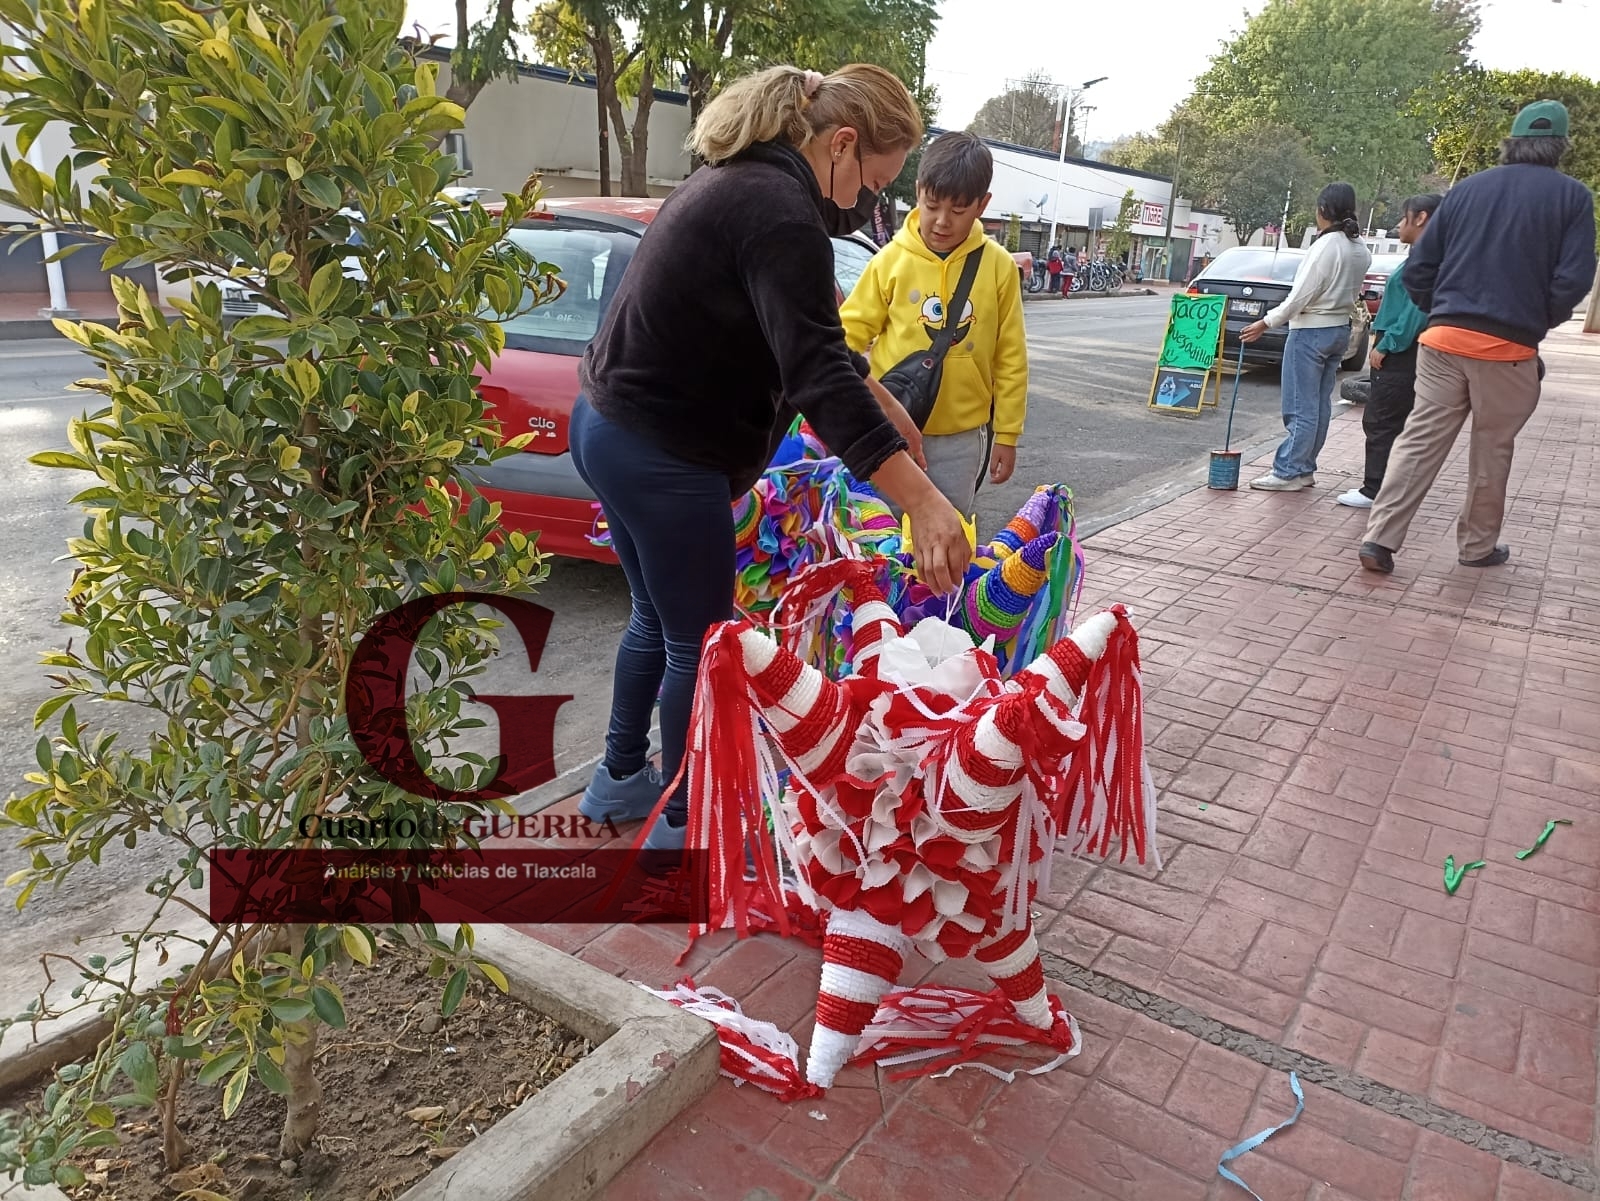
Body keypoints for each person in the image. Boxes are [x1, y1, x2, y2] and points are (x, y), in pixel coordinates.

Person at [569, 64, 971, 864]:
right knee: (707, 641)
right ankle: (687, 823)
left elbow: (803, 339)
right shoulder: (779, 209)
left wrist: (886, 404)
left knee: (657, 618)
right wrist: (920, 499)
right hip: (662, 451)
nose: (864, 204)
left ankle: (619, 779)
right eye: (873, 184)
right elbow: (816, 375)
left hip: (609, 427)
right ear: (841, 144)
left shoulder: (737, 182)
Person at [1358, 101, 1597, 574]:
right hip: (1507, 351)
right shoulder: (1572, 197)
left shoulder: (1468, 189)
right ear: (1561, 146)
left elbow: (1419, 269)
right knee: (1492, 450)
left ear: (1513, 139)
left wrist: (1441, 313)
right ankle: (1476, 548)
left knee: (1419, 441)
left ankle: (1379, 540)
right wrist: (1534, 322)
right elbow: (1574, 278)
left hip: (1442, 341)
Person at [840, 131, 1028, 515]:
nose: (942, 221)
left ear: (982, 205)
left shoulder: (999, 268)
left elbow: (1010, 358)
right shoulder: (890, 260)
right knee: (878, 538)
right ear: (920, 191)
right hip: (890, 432)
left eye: (958, 211)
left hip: (961, 440)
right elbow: (846, 337)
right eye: (932, 205)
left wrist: (1007, 435)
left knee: (950, 537)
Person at [1240, 183, 1372, 490]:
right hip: (1339, 329)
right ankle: (1304, 467)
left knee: (1301, 405)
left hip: (1311, 331)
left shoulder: (1327, 246)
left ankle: (1288, 471)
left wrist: (1267, 322)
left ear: (1323, 210)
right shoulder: (1359, 247)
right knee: (1319, 403)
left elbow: (1302, 294)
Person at [1335, 193, 1441, 510]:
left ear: (1420, 218)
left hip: (1402, 352)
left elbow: (1416, 310)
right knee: (1394, 421)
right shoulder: (1428, 255)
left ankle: (1374, 489)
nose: (1398, 224)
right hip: (1409, 350)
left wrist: (1388, 343)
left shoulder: (1428, 259)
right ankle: (1388, 487)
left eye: (1403, 216)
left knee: (1382, 421)